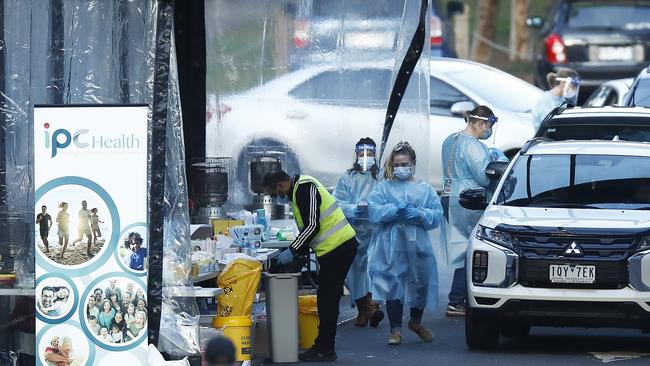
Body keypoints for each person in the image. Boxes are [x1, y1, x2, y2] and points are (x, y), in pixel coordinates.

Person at [264, 170, 358, 362]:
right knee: (326, 299)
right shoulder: (299, 191)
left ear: (281, 185)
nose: (278, 196)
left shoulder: (305, 187)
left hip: (339, 247)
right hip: (332, 250)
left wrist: (293, 249)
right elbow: (310, 227)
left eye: (276, 192)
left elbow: (312, 225)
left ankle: (325, 349)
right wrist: (297, 252)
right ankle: (323, 346)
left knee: (328, 300)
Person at [368, 141, 443, 345]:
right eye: (397, 164)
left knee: (420, 283)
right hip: (391, 243)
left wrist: (419, 213)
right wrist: (393, 211)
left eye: (404, 164)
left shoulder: (425, 189)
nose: (401, 168)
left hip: (418, 243)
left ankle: (416, 323)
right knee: (393, 283)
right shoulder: (384, 187)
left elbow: (437, 216)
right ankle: (395, 330)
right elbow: (374, 210)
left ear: (413, 163)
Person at [441, 105, 507, 317]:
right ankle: (458, 299)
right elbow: (484, 178)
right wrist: (497, 163)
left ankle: (457, 298)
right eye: (489, 126)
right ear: (480, 123)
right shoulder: (473, 146)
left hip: (448, 196)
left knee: (459, 245)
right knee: (469, 249)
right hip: (469, 199)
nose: (489, 131)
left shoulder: (449, 139)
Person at [332, 138, 385, 327]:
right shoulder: (347, 178)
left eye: (369, 154)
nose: (365, 158)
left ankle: (370, 308)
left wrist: (375, 210)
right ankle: (366, 310)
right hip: (352, 232)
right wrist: (354, 209)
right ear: (356, 155)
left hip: (374, 232)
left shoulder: (380, 177)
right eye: (362, 154)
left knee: (372, 270)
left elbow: (387, 199)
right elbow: (336, 202)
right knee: (355, 272)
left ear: (375, 155)